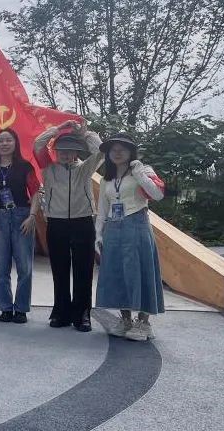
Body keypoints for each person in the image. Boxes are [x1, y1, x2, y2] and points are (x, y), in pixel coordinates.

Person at [95, 133, 166, 342]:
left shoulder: (143, 170)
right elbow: (102, 209)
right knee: (118, 272)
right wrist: (98, 233)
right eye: (113, 149)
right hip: (113, 228)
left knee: (141, 270)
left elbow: (158, 194)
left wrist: (140, 173)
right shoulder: (107, 179)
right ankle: (125, 319)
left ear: (131, 152)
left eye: (122, 149)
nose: (117, 153)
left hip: (136, 224)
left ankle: (144, 323)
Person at [34, 120, 104, 332]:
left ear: (76, 152)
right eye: (61, 150)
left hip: (83, 221)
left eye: (70, 150)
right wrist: (58, 128)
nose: (65, 154)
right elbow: (38, 144)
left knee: (84, 270)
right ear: (55, 152)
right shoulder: (48, 169)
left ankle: (82, 314)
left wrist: (85, 134)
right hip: (56, 222)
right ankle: (61, 312)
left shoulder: (85, 168)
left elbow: (102, 152)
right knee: (59, 270)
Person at [0, 128, 41, 324]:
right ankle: (6, 308)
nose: (4, 144)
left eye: (8, 140)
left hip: (22, 216)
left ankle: (21, 309)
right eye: (1, 141)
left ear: (15, 143)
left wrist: (32, 216)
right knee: (2, 267)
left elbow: (35, 193)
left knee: (24, 267)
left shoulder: (25, 166)